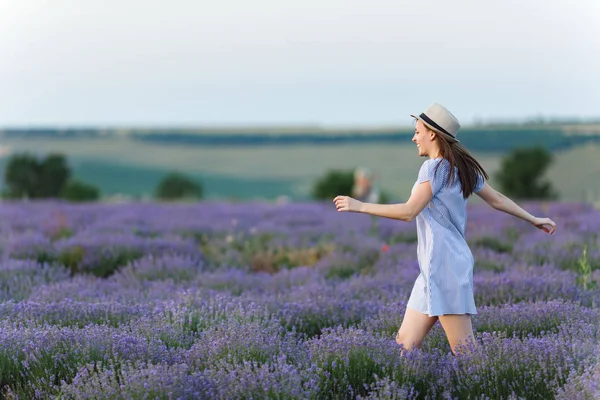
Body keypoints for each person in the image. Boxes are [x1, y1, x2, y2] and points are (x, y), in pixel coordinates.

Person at [333, 103, 556, 356]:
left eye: (418, 131)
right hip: (432, 269)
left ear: (432, 134)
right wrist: (532, 218)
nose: (414, 137)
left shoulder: (434, 168)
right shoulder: (462, 168)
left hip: (446, 268)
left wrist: (360, 206)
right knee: (404, 347)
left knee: (467, 355)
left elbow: (409, 212)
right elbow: (498, 200)